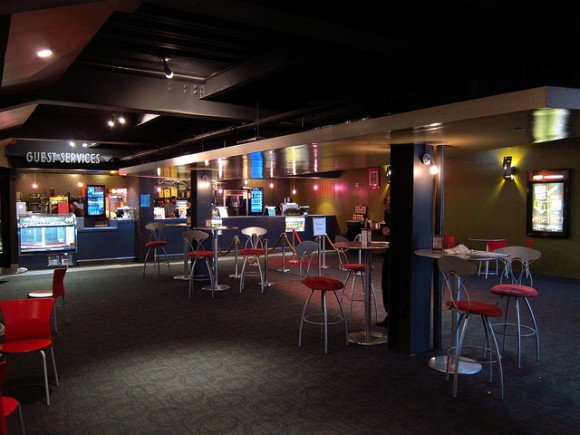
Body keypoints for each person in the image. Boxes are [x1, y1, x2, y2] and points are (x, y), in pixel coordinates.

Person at [376, 194, 390, 328]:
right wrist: (384, 230)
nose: (388, 203)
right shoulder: (387, 212)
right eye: (387, 201)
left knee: (390, 281)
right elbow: (385, 226)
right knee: (386, 281)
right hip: (389, 249)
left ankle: (393, 315)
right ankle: (389, 313)